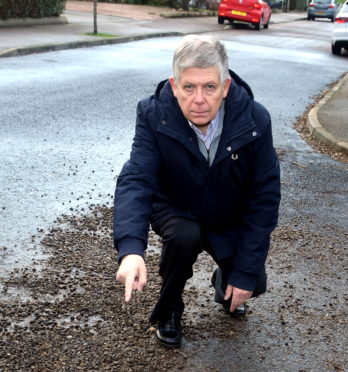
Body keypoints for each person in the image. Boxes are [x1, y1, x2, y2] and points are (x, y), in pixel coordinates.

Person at [113, 34, 281, 348]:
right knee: (183, 236)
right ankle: (170, 310)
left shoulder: (255, 119)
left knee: (252, 282)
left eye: (209, 87)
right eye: (189, 87)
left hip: (227, 212)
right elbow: (136, 178)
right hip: (177, 206)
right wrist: (131, 248)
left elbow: (264, 197)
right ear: (175, 86)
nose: (199, 99)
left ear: (225, 87)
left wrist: (243, 273)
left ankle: (225, 283)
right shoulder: (152, 114)